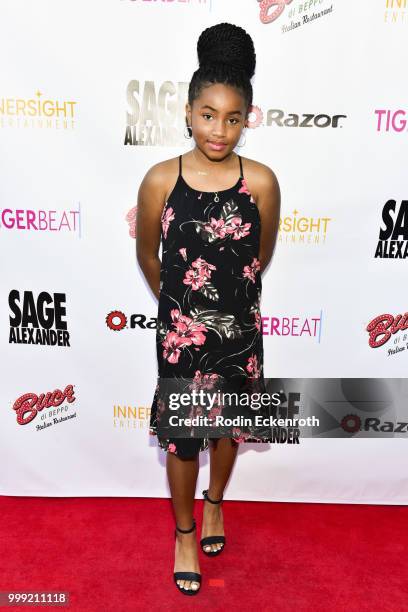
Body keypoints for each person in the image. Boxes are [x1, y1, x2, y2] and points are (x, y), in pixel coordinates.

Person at [136, 22, 280, 595]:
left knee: (230, 431)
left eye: (233, 118)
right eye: (207, 114)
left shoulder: (262, 183)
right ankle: (184, 533)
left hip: (240, 332)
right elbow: (150, 255)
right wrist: (181, 311)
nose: (219, 130)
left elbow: (258, 258)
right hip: (182, 336)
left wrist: (231, 305)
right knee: (184, 440)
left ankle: (216, 502)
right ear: (188, 112)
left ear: (247, 119)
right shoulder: (159, 180)